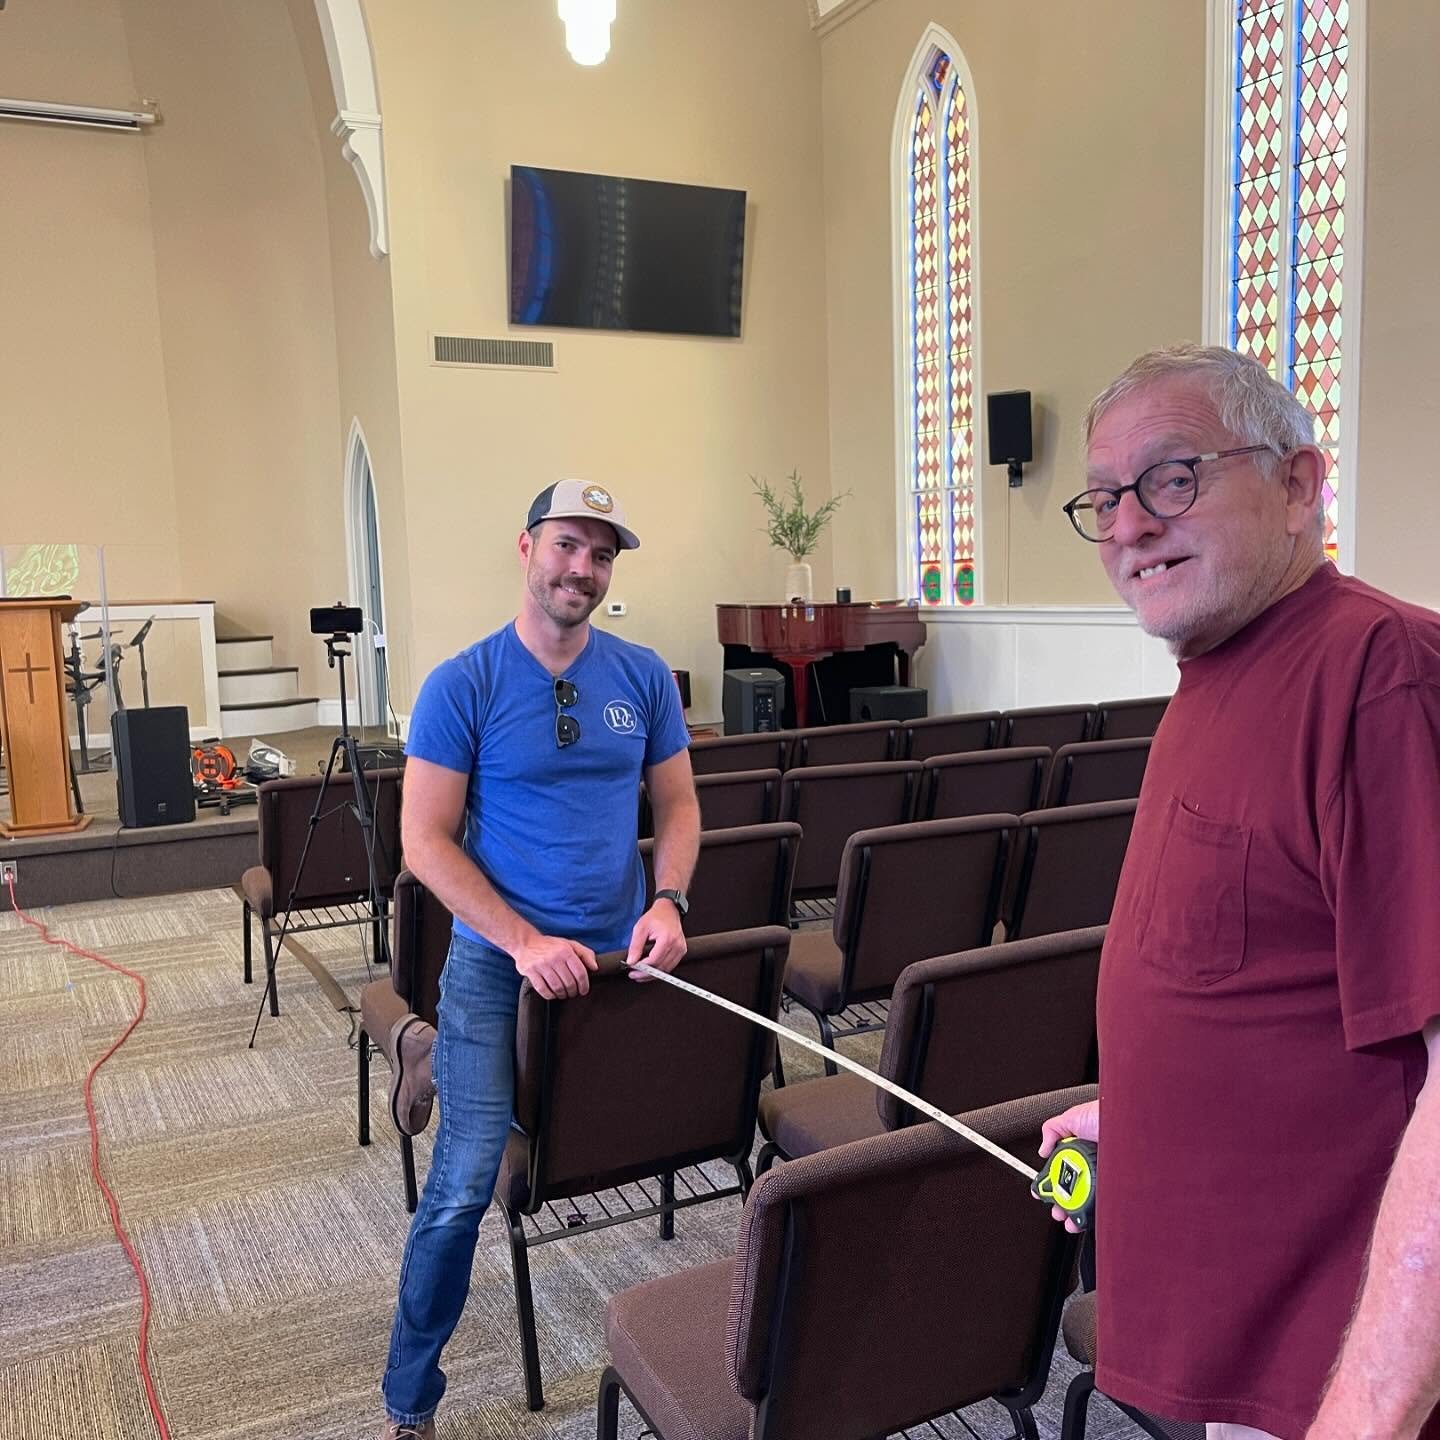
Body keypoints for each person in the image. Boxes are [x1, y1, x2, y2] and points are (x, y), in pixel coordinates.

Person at [1042, 345, 1440, 1440]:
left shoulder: (1380, 673)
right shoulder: (1219, 664)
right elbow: (1282, 977)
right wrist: (1143, 1110)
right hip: (1256, 1339)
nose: (1129, 526)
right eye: (1105, 500)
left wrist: (1366, 1413)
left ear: (1299, 483)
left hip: (1338, 1375)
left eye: (1173, 479)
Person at [378, 479, 700, 1439]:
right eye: (567, 545)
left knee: (611, 1142)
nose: (583, 570)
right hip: (496, 964)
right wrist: (522, 941)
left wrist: (669, 902)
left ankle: (427, 1052)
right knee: (465, 1182)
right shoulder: (463, 683)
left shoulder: (642, 675)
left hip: (612, 962)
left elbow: (678, 805)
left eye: (601, 555)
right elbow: (423, 842)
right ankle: (408, 1399)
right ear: (526, 549)